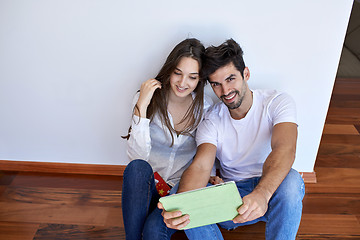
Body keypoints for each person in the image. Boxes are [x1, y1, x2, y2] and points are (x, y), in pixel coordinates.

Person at [159, 39, 305, 240]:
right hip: (232, 199)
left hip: (271, 192)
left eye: (230, 79)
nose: (225, 91)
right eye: (217, 84)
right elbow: (201, 165)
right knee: (181, 193)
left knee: (292, 180)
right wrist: (183, 205)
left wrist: (262, 194)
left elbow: (284, 149)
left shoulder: (277, 102)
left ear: (246, 74)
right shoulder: (211, 118)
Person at [121, 38, 215, 240]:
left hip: (179, 190)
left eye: (192, 77)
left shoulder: (205, 108)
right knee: (137, 167)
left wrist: (214, 174)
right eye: (178, 73)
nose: (182, 83)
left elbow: (208, 150)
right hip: (149, 187)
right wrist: (142, 105)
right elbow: (137, 157)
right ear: (169, 70)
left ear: (200, 80)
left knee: (154, 230)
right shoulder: (147, 99)